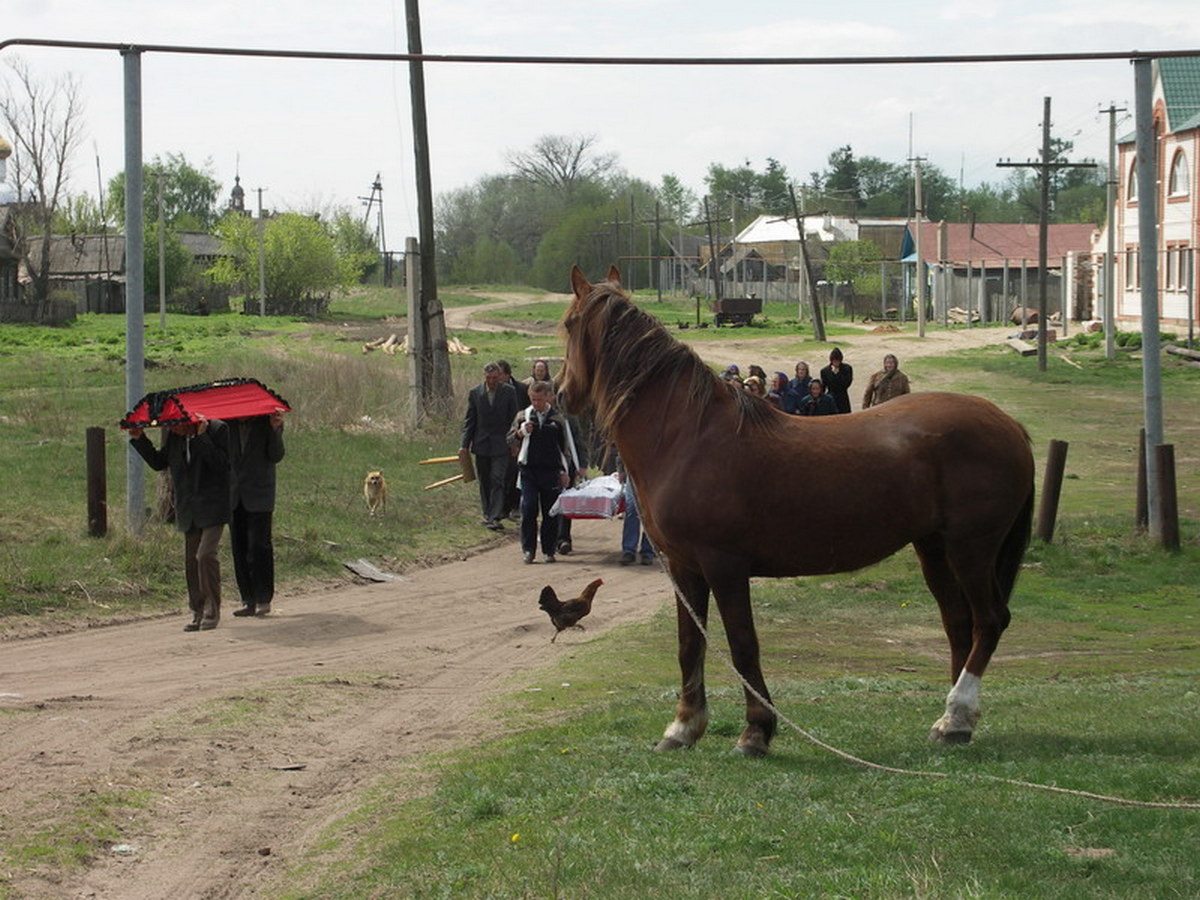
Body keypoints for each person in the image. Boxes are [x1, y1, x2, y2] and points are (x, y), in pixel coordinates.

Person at [128, 415, 230, 631]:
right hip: (188, 508)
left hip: (213, 506)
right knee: (191, 562)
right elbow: (159, 462)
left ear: (190, 420)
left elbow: (221, 465)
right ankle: (198, 611)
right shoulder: (175, 436)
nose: (172, 430)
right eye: (169, 426)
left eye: (175, 425)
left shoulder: (218, 430)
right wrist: (140, 439)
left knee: (205, 555)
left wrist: (202, 439)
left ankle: (213, 610)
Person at [508, 380, 577, 564]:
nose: (536, 403)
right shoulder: (523, 416)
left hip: (550, 471)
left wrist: (564, 472)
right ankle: (528, 549)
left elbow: (565, 450)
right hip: (528, 470)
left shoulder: (557, 419)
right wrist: (520, 433)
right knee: (529, 507)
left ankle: (549, 549)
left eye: (539, 399)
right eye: (532, 399)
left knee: (550, 512)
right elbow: (509, 441)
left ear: (547, 397)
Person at [227, 409, 286, 617]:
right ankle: (248, 599)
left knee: (258, 546)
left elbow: (276, 455)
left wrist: (275, 429)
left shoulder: (265, 422)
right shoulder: (226, 424)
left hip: (260, 494)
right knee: (239, 547)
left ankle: (263, 598)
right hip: (234, 495)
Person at [461, 362, 519, 531]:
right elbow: (470, 421)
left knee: (497, 479)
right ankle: (487, 514)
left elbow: (514, 419)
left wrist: (514, 442)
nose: (492, 381)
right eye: (489, 378)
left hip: (501, 444)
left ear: (500, 376)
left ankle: (495, 516)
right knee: (484, 480)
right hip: (481, 444)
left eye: (495, 378)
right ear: (484, 376)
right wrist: (464, 445)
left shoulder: (509, 392)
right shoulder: (475, 393)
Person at [496, 360, 528, 520]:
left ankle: (515, 505)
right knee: (501, 474)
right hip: (500, 438)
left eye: (500, 373)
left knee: (515, 472)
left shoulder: (522, 389)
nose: (497, 377)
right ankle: (502, 508)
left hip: (519, 437)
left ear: (508, 374)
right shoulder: (494, 389)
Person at [616, 455, 655, 566]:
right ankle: (628, 551)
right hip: (633, 471)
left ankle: (648, 551)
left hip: (656, 471)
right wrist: (621, 469)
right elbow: (623, 447)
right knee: (632, 508)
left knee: (650, 512)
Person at [820, 348, 854, 414]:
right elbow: (824, 386)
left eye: (837, 360)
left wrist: (837, 374)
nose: (836, 362)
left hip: (842, 397)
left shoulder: (847, 369)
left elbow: (846, 383)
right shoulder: (825, 371)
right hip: (831, 396)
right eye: (834, 360)